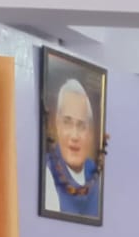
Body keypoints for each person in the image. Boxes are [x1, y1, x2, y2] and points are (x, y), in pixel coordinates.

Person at [44, 78, 102, 218]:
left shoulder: (96, 173)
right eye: (67, 123)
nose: (74, 136)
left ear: (89, 132)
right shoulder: (47, 172)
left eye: (81, 126)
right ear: (57, 124)